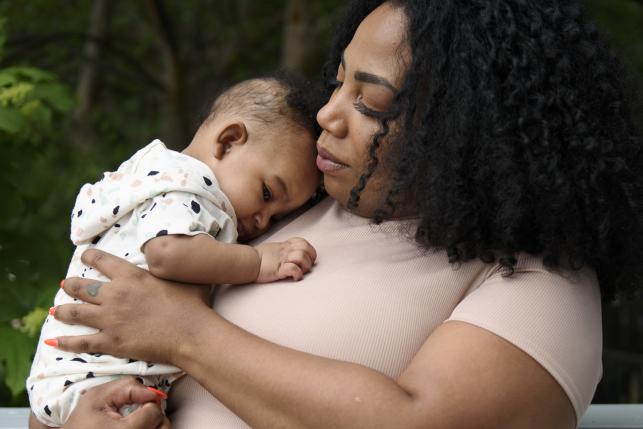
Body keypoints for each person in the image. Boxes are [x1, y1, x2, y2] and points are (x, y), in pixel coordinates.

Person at [36, 0, 642, 428]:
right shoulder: (281, 210)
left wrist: (184, 334)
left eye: (370, 101)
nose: (327, 114)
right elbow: (92, 348)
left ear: (469, 130)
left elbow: (424, 423)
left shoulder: (535, 282)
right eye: (337, 83)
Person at [27, 73, 323, 427]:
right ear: (228, 142)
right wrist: (259, 261)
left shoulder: (153, 174)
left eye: (277, 217)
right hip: (100, 372)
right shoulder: (187, 187)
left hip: (73, 371)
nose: (263, 223)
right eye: (266, 195)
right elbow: (168, 254)